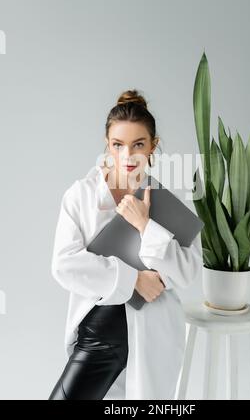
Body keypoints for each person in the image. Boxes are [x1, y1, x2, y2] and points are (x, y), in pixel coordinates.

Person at [48, 89, 203, 400]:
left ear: (153, 146)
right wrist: (133, 279)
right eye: (118, 145)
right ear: (108, 145)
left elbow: (187, 273)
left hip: (151, 334)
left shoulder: (165, 204)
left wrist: (146, 226)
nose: (128, 156)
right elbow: (64, 265)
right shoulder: (81, 195)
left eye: (139, 145)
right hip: (99, 332)